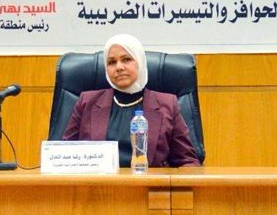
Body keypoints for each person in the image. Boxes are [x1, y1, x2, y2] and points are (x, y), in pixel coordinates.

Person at [62, 34, 201, 168]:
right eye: (111, 62)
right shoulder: (86, 103)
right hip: (98, 183)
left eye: (126, 59)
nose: (119, 67)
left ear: (140, 61)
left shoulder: (168, 105)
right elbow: (63, 156)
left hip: (149, 183)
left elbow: (187, 161)